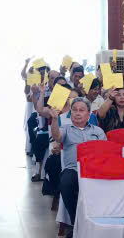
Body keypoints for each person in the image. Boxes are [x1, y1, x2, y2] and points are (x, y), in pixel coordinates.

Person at [44, 97, 105, 236]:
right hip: (73, 169)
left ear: (88, 114)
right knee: (65, 183)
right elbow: (57, 136)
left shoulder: (98, 131)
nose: (77, 113)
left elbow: (106, 152)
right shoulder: (66, 129)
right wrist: (55, 119)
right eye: (75, 110)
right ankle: (77, 222)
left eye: (81, 110)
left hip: (95, 170)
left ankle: (95, 224)